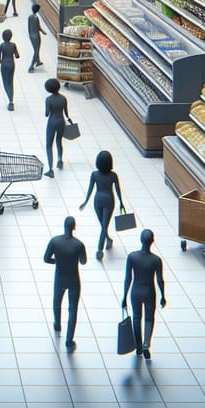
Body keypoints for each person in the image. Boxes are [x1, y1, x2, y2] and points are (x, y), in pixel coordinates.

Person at [43, 216, 87, 350]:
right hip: (74, 279)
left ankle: (57, 323)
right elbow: (83, 261)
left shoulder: (55, 241)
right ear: (74, 227)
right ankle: (69, 340)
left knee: (57, 301)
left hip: (60, 277)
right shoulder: (79, 244)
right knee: (72, 309)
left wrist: (57, 262)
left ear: (64, 226)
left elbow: (46, 259)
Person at [122, 229, 166, 359]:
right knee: (149, 318)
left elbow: (127, 278)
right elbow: (159, 280)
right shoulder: (156, 260)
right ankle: (146, 344)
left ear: (140, 240)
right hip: (149, 291)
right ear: (152, 241)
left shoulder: (132, 257)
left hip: (135, 291)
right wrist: (163, 295)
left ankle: (138, 346)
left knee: (136, 317)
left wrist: (124, 296)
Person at [80, 151, 125, 261]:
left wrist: (85, 201)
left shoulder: (94, 174)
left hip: (97, 200)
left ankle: (105, 243)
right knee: (104, 226)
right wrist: (121, 202)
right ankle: (101, 248)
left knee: (103, 224)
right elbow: (118, 190)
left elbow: (90, 189)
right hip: (109, 200)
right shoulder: (113, 175)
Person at [44, 78, 71, 178]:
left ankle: (50, 169)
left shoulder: (48, 99)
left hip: (52, 122)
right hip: (61, 121)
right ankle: (60, 159)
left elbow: (46, 114)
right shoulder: (63, 98)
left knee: (48, 145)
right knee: (59, 141)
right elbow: (66, 113)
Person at [0, 28, 20, 111]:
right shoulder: (13, 45)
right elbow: (17, 56)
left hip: (4, 64)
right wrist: (14, 53)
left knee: (5, 83)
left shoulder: (2, 45)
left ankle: (10, 101)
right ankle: (11, 99)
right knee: (11, 82)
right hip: (12, 64)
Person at [27, 3, 46, 72]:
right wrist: (44, 32)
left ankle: (38, 61)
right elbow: (39, 27)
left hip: (31, 35)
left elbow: (28, 27)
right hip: (36, 36)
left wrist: (29, 34)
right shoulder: (36, 17)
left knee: (36, 49)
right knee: (36, 50)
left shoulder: (29, 17)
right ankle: (31, 66)